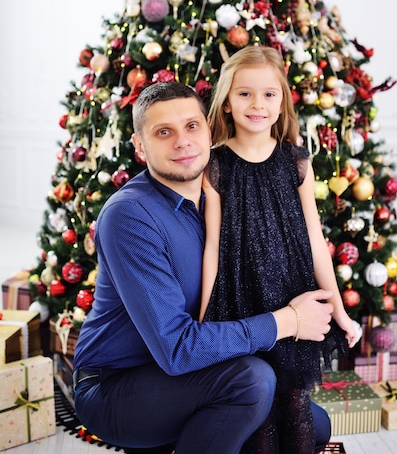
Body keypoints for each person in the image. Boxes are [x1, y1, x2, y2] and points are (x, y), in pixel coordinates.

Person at [73, 80, 335, 454]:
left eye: (192, 126)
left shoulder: (223, 197)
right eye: (164, 132)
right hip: (118, 387)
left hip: (194, 377)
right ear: (140, 146)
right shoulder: (130, 215)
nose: (182, 142)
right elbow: (177, 349)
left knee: (310, 426)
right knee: (251, 381)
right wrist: (288, 321)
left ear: (209, 131)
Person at [199, 46, 360, 454]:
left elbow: (315, 242)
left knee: (296, 407)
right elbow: (213, 248)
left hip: (296, 296)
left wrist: (338, 310)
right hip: (243, 302)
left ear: (283, 100)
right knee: (259, 414)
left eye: (269, 94)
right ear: (227, 102)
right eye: (245, 94)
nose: (258, 104)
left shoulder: (296, 162)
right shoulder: (214, 166)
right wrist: (201, 320)